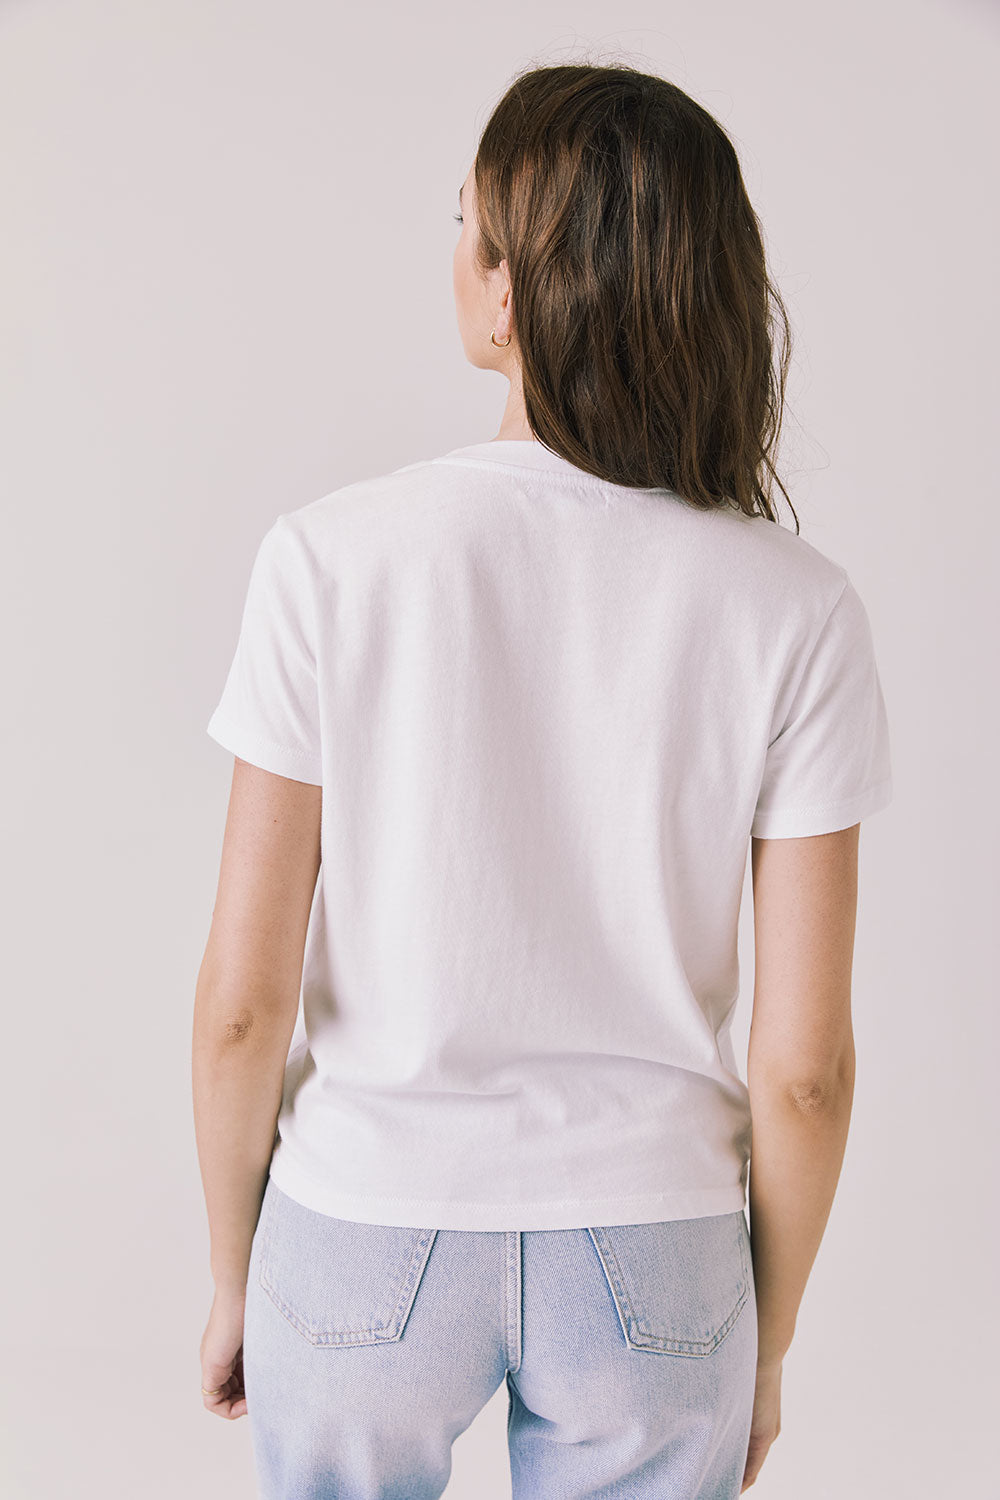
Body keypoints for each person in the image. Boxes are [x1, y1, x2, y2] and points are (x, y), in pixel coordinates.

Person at [192, 61, 893, 1500]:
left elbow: (243, 1002)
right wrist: (765, 1339)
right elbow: (806, 1070)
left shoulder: (330, 560)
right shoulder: (797, 608)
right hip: (655, 1253)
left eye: (468, 220)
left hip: (362, 1224)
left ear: (506, 292)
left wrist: (231, 1268)